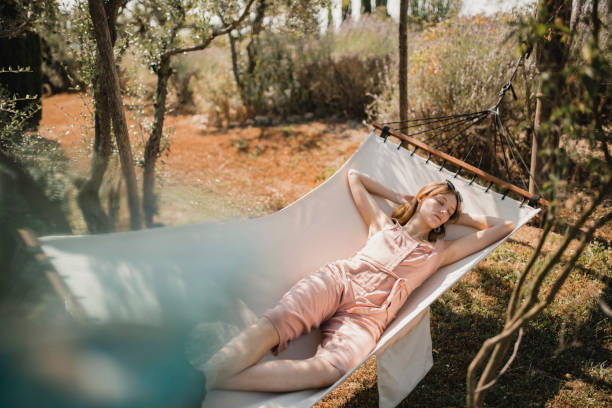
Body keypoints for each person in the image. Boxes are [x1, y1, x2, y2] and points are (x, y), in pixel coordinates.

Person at [202, 169, 514, 392]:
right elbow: (355, 178)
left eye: (449, 212)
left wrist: (460, 216)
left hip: (367, 319)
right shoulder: (382, 224)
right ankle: (205, 376)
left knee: (330, 370)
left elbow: (504, 225)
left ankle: (211, 379)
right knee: (275, 324)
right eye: (440, 203)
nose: (444, 212)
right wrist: (395, 196)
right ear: (422, 198)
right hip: (339, 282)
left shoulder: (439, 253)